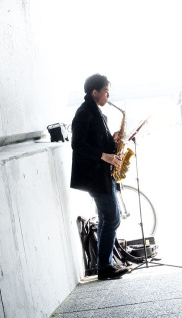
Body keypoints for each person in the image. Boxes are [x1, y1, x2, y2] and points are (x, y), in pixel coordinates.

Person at [70, 73, 129, 280]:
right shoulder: (84, 113)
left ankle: (106, 265)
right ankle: (104, 265)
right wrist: (105, 155)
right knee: (112, 218)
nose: (108, 95)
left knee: (107, 219)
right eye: (105, 91)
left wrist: (113, 141)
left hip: (103, 174)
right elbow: (77, 145)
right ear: (94, 92)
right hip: (95, 176)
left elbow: (98, 143)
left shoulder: (96, 112)